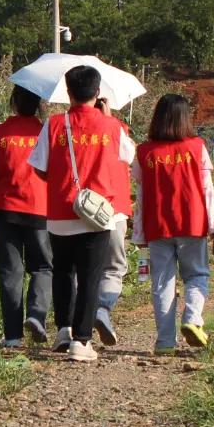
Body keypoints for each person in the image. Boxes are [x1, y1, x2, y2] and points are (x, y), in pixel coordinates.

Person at [28, 64, 134, 363]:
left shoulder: (54, 124)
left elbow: (39, 167)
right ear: (97, 92)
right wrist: (109, 117)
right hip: (97, 214)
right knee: (90, 276)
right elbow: (128, 157)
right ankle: (82, 340)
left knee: (62, 272)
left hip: (61, 212)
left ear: (68, 92)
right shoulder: (112, 127)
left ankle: (64, 329)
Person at [134, 93, 214, 353]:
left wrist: (139, 233)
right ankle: (192, 319)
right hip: (192, 223)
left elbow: (141, 194)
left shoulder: (145, 152)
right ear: (185, 119)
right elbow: (207, 189)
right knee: (196, 275)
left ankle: (165, 342)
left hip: (157, 225)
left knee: (162, 283)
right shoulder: (196, 147)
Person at [0, 86, 53, 350]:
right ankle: (36, 315)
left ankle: (13, 336)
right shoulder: (46, 133)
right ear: (38, 104)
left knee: (9, 273)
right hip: (39, 209)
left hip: (3, 211)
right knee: (43, 267)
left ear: (13, 102)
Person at [90, 97, 137, 347]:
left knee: (79, 267)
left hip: (81, 209)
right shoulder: (118, 128)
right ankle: (103, 308)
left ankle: (76, 320)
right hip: (114, 208)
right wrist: (109, 119)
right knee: (113, 267)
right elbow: (130, 157)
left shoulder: (70, 128)